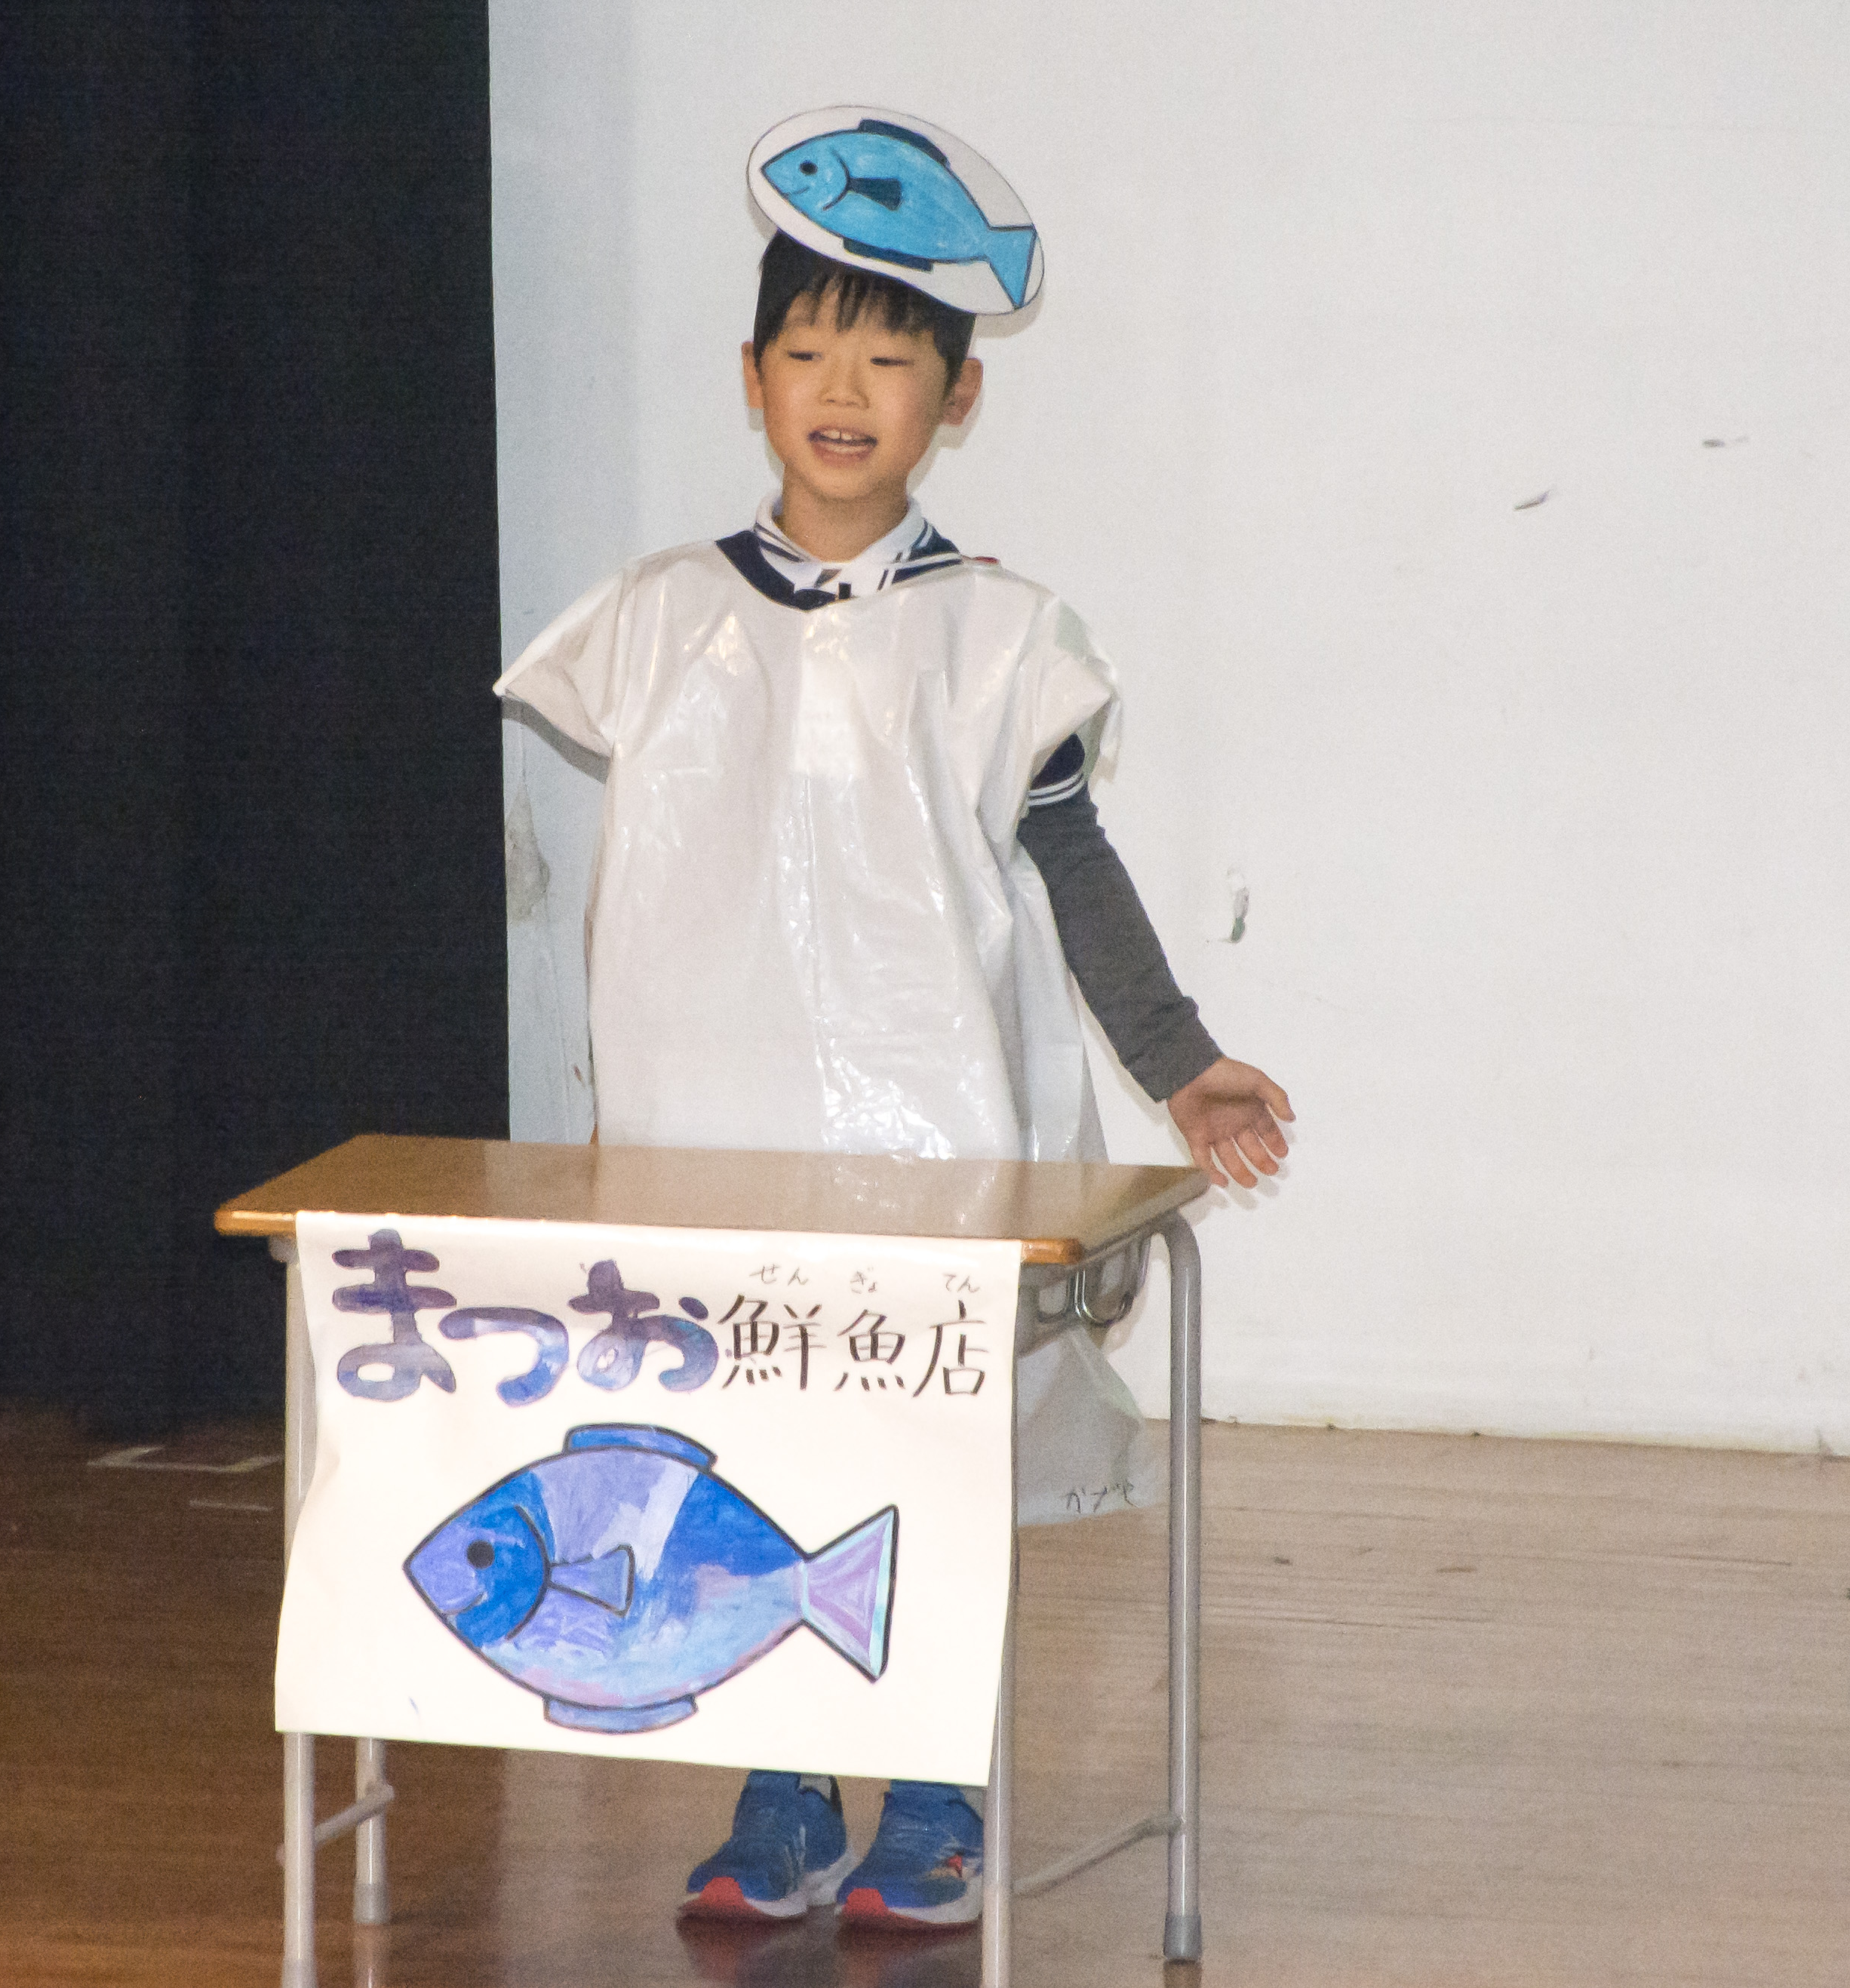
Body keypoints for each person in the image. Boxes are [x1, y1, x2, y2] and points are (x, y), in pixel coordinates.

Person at [495, 106, 1292, 1934]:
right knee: (743, 1452)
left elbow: (1073, 865)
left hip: (934, 1136)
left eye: (888, 357)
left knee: (922, 1457)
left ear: (958, 396)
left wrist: (1180, 1061)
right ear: (751, 379)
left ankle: (934, 1789)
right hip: (711, 1136)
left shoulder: (998, 639)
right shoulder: (658, 620)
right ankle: (781, 1792)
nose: (842, 390)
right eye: (807, 351)